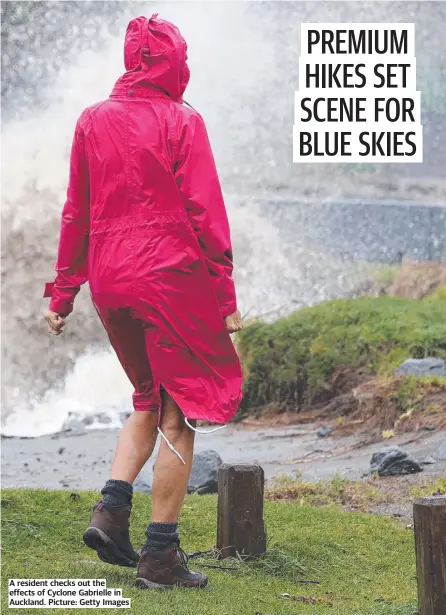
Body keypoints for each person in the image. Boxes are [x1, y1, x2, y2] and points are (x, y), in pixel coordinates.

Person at [43, 14, 243, 590]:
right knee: (180, 414)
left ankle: (110, 514)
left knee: (147, 397)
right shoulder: (184, 121)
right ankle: (161, 556)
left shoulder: (92, 120)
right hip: (168, 277)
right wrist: (225, 297)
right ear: (172, 62)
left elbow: (76, 211)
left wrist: (63, 292)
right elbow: (206, 216)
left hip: (110, 279)